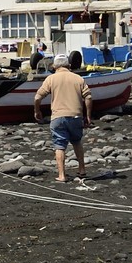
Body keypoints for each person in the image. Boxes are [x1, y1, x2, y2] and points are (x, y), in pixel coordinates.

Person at [33, 53, 92, 182]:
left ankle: (62, 175)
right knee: (77, 142)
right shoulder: (78, 79)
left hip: (58, 117)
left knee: (59, 145)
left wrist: (37, 111)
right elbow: (88, 97)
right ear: (69, 65)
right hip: (76, 116)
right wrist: (87, 116)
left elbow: (37, 97)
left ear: (54, 66)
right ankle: (82, 169)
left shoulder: (51, 79)